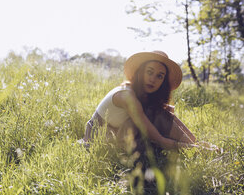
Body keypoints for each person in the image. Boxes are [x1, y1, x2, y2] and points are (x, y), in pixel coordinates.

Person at [82, 50, 214, 155]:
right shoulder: (127, 96)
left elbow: (167, 115)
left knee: (160, 110)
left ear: (163, 81)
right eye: (149, 72)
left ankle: (192, 147)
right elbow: (159, 139)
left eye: (159, 76)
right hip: (98, 142)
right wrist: (195, 149)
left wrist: (195, 143)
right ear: (140, 72)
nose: (153, 79)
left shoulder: (141, 95)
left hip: (117, 136)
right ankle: (192, 150)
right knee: (156, 114)